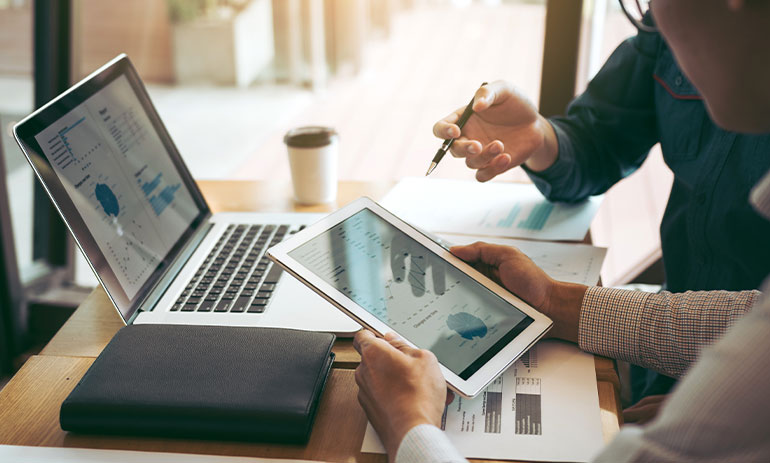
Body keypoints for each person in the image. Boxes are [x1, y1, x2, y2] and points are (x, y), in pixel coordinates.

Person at [353, 0, 770, 461]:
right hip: (672, 355)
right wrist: (555, 301)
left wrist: (409, 428)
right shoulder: (684, 32)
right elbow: (751, 314)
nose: (651, 14)